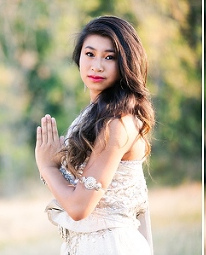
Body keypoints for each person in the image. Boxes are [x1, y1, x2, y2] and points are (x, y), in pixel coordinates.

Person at [34, 16, 155, 255]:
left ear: (126, 64)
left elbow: (79, 207)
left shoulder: (117, 123)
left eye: (109, 57)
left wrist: (47, 168)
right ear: (78, 57)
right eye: (90, 54)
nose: (97, 65)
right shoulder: (96, 116)